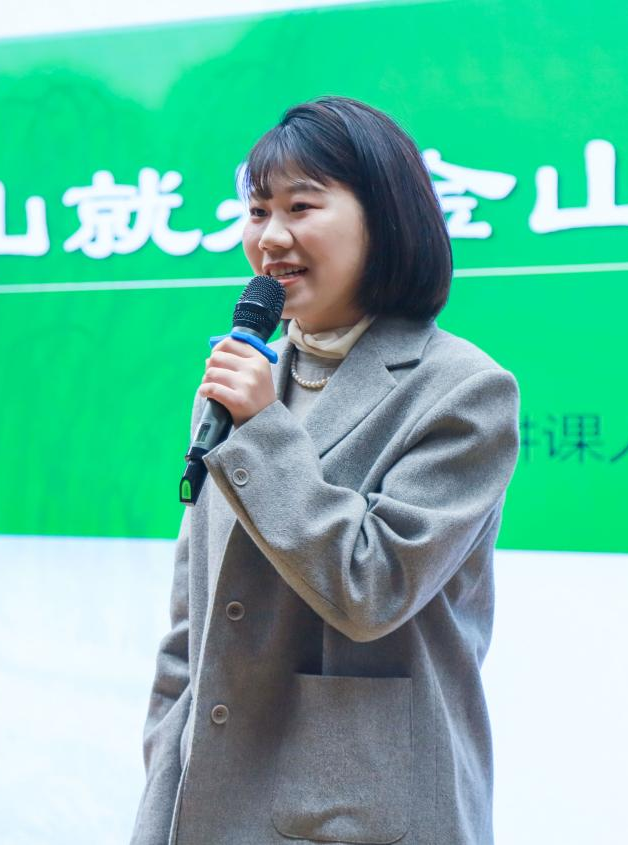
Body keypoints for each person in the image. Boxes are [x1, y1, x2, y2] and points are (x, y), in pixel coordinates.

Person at [130, 96, 520, 845]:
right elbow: (192, 616)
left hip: (363, 817)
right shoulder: (240, 383)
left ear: (384, 219)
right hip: (208, 806)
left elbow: (373, 587)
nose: (271, 237)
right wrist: (165, 765)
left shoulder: (462, 389)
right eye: (257, 211)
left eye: (301, 207)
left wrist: (261, 431)